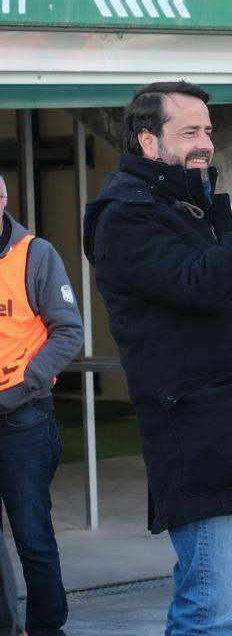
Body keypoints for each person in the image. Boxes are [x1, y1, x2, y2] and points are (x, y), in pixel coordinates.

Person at [82, 81, 232, 635]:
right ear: (148, 141)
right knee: (207, 611)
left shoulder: (194, 204)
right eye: (188, 132)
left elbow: (211, 291)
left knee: (220, 605)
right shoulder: (125, 216)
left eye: (207, 130)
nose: (205, 142)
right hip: (199, 438)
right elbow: (199, 283)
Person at [0, 174, 82, 636]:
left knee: (32, 536)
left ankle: (47, 628)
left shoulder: (35, 254)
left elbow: (68, 331)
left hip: (22, 419)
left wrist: (22, 386)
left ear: (3, 201)